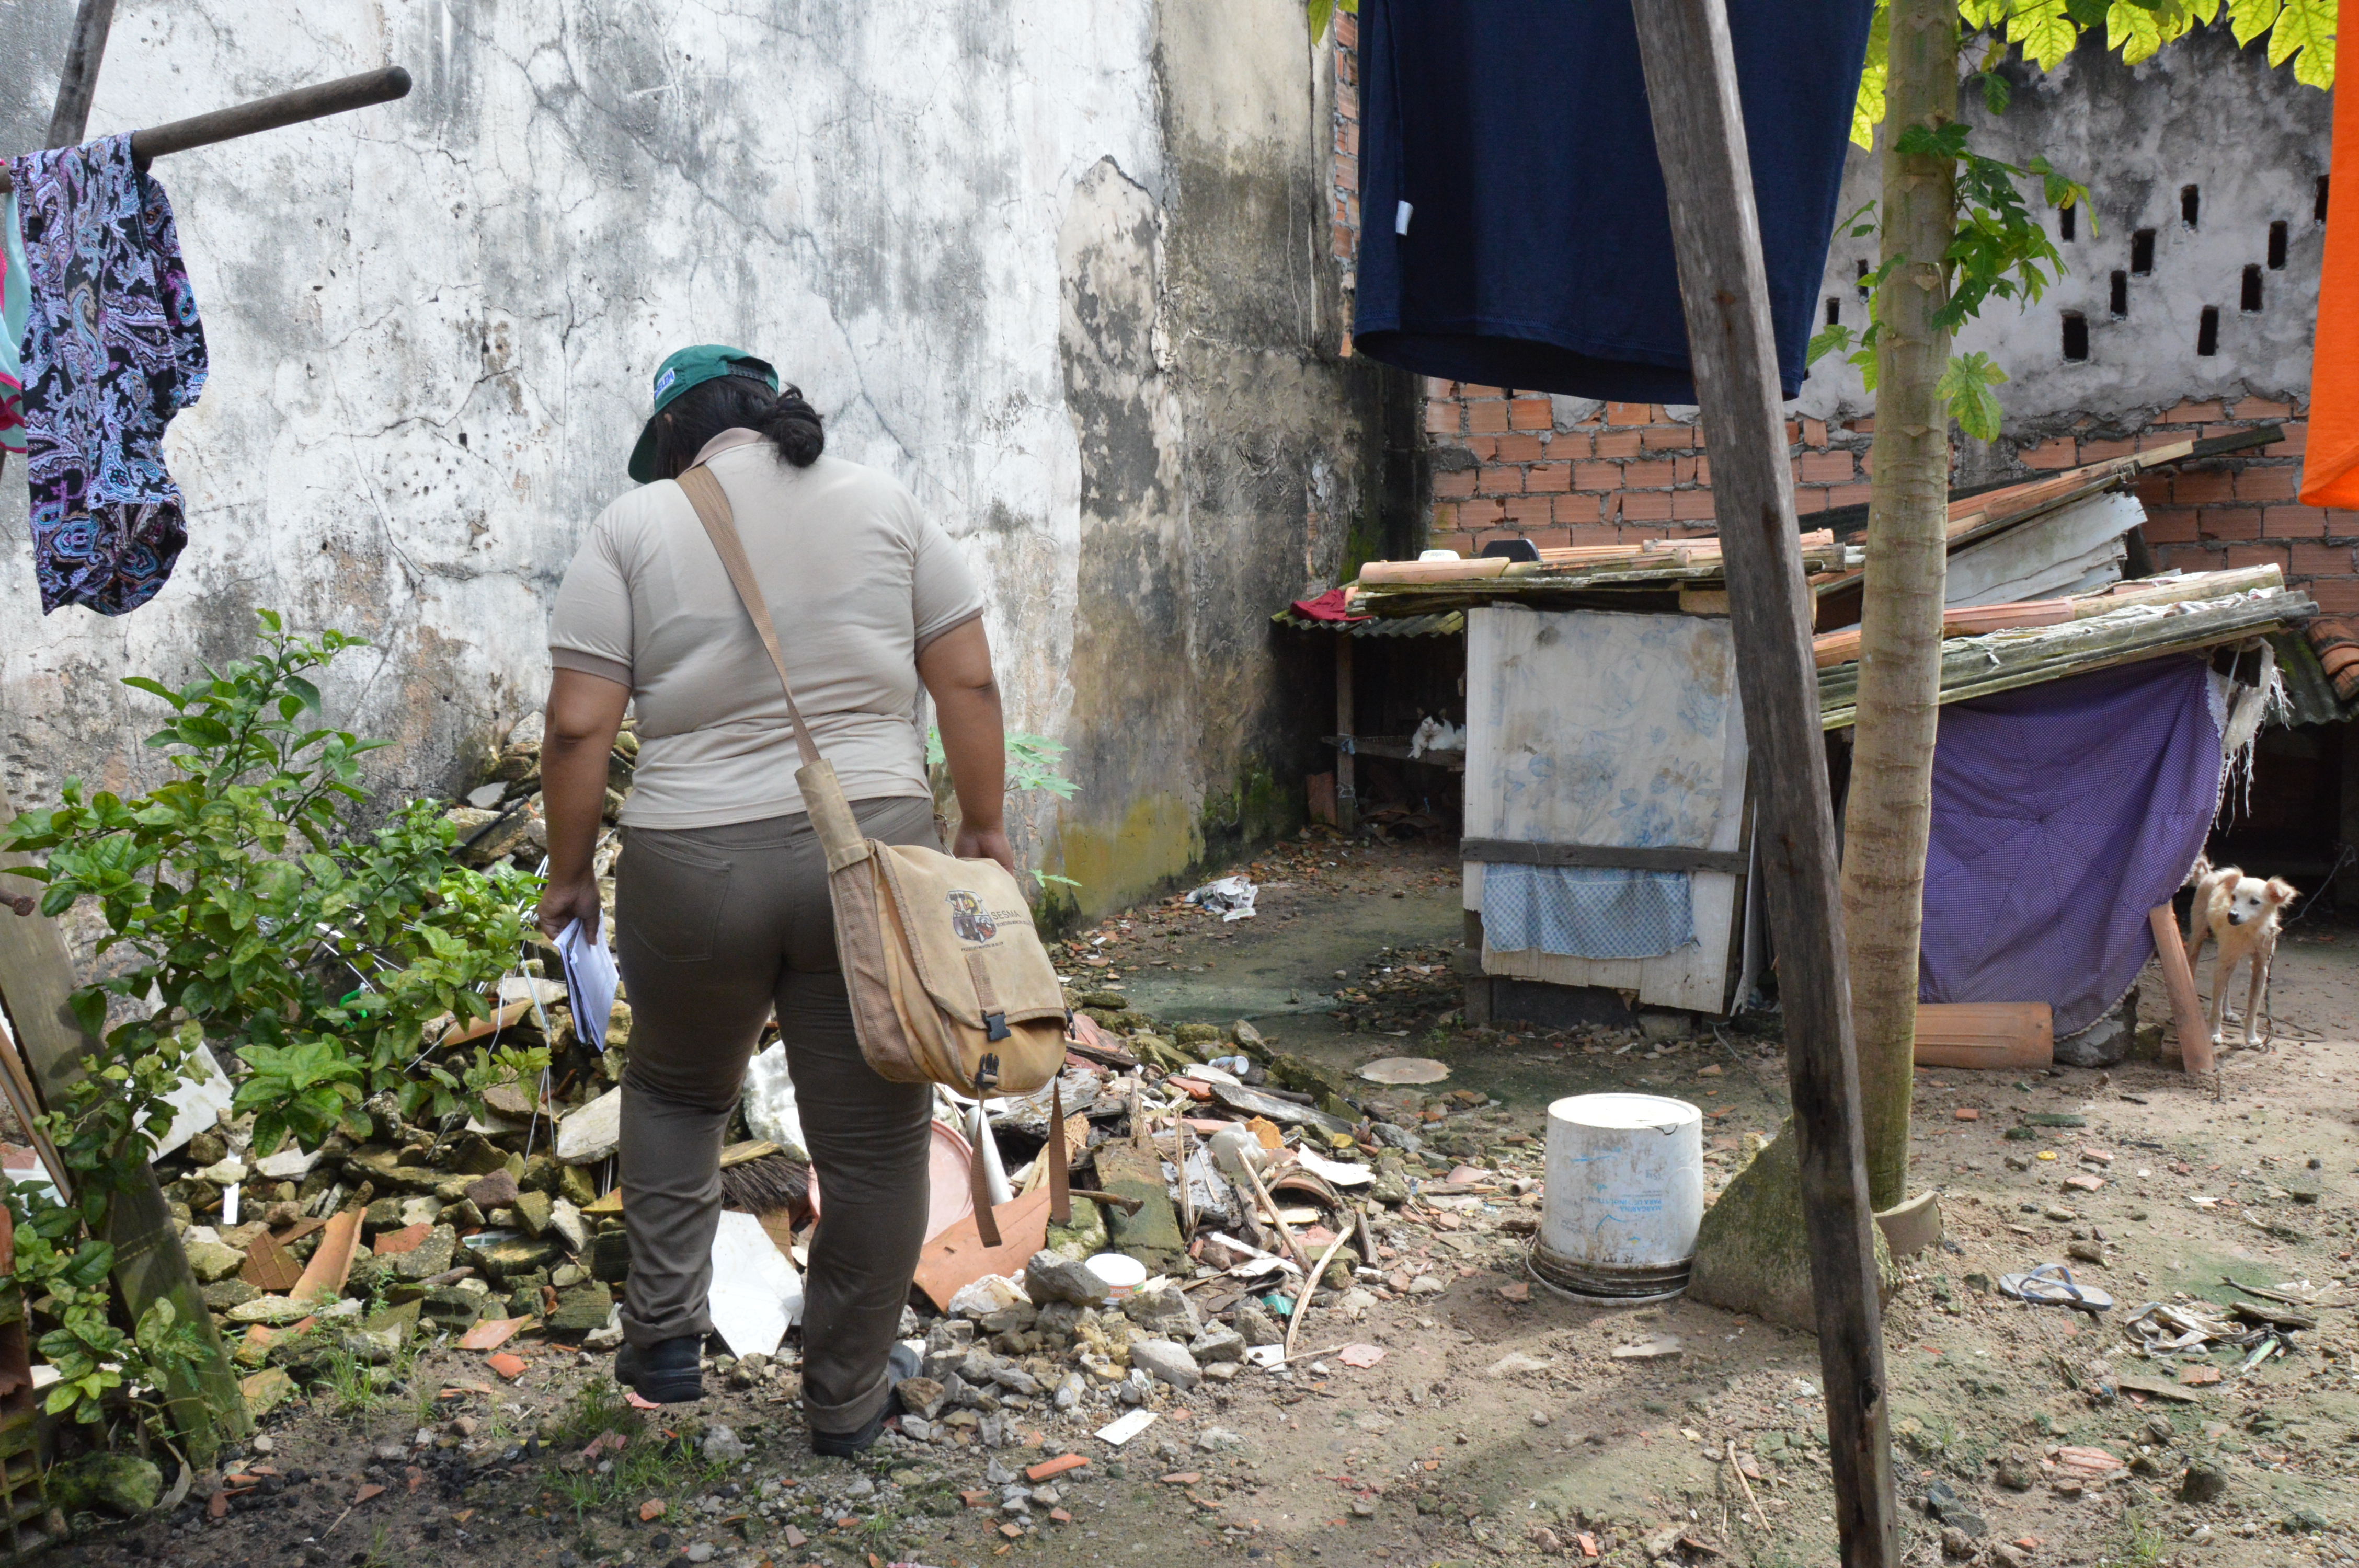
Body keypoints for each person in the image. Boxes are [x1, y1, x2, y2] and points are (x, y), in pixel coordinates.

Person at [536, 344, 1012, 1455]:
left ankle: (664, 1338)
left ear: (675, 437)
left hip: (693, 859)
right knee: (878, 1143)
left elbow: (576, 725)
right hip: (873, 850)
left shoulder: (633, 527)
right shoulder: (887, 506)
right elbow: (969, 678)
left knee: (676, 1093)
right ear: (770, 412)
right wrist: (983, 825)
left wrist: (569, 873)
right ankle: (845, 1401)